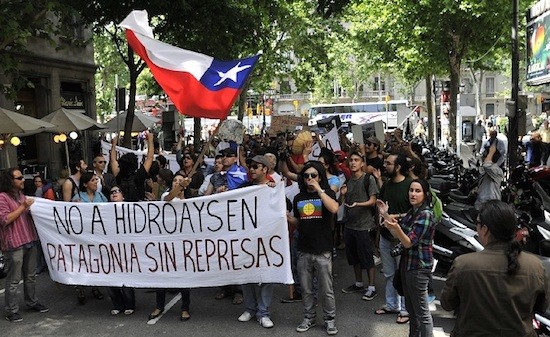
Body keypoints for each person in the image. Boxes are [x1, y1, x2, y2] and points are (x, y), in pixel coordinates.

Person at [440, 200, 549, 337]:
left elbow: (447, 303)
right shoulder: (535, 265)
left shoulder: (463, 264)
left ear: (485, 229)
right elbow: (542, 307)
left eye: (477, 224)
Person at [289, 161, 339, 335]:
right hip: (303, 249)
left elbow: (333, 208)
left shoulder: (328, 193)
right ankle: (309, 317)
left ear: (320, 177)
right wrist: (288, 218)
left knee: (326, 289)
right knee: (306, 289)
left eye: (313, 175)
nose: (309, 178)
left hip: (323, 250)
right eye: (306, 176)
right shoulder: (298, 198)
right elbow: (299, 221)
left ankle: (329, 320)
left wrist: (319, 190)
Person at [381, 178, 436, 337]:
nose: (413, 194)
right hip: (407, 265)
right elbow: (398, 234)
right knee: (412, 311)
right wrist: (385, 215)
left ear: (425, 194)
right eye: (411, 190)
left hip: (418, 267)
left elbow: (408, 242)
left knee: (422, 313)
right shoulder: (413, 212)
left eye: (417, 191)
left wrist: (396, 227)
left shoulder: (425, 214)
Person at [0, 168, 49, 322]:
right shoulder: (2, 198)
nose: (23, 180)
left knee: (30, 276)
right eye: (19, 177)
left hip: (29, 240)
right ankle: (11, 310)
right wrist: (23, 207)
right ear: (10, 181)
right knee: (14, 279)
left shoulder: (21, 196)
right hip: (14, 243)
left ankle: (31, 302)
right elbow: (5, 220)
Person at [238, 155, 276, 329]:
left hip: (267, 238)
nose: (251, 169)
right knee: (247, 274)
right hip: (247, 238)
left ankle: (264, 312)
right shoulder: (244, 188)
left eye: (255, 166)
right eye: (250, 166)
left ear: (265, 169)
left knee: (266, 276)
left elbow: (285, 207)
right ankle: (250, 308)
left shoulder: (274, 188)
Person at [148, 173, 191, 322]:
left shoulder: (190, 201)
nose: (176, 183)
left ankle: (185, 308)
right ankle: (159, 306)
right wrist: (181, 186)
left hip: (182, 243)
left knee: (184, 277)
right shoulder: (166, 195)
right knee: (162, 275)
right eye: (175, 181)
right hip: (166, 242)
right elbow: (169, 198)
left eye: (180, 181)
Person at [375, 153, 411, 324]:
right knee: (389, 274)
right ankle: (391, 304)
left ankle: (405, 309)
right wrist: (382, 218)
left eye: (388, 164)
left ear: (398, 167)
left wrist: (397, 216)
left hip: (402, 239)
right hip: (385, 237)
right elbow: (381, 207)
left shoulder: (410, 186)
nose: (385, 165)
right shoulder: (387, 185)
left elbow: (416, 212)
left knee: (402, 274)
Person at [340, 152, 379, 301]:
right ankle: (358, 283)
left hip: (364, 225)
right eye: (351, 160)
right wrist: (342, 194)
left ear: (362, 163)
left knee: (367, 257)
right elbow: (341, 201)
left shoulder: (368, 179)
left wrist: (358, 204)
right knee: (353, 257)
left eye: (356, 160)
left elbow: (372, 201)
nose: (353, 163)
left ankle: (372, 287)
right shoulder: (348, 181)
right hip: (350, 224)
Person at [72, 171, 106, 303]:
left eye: (96, 180)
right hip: (82, 236)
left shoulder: (101, 196)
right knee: (82, 261)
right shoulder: (78, 198)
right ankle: (80, 288)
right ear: (85, 184)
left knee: (95, 261)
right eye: (93, 180)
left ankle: (95, 287)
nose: (96, 182)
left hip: (96, 236)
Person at [107, 185, 136, 316]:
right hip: (110, 248)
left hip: (126, 248)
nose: (114, 194)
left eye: (117, 191)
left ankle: (129, 304)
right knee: (111, 278)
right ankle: (117, 305)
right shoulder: (104, 210)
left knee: (126, 277)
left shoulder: (131, 209)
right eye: (111, 192)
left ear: (123, 195)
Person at [475, 141, 504, 210]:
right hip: (482, 202)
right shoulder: (487, 171)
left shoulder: (497, 171)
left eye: (485, 156)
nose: (483, 158)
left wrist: (491, 152)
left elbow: (487, 164)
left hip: (490, 204)